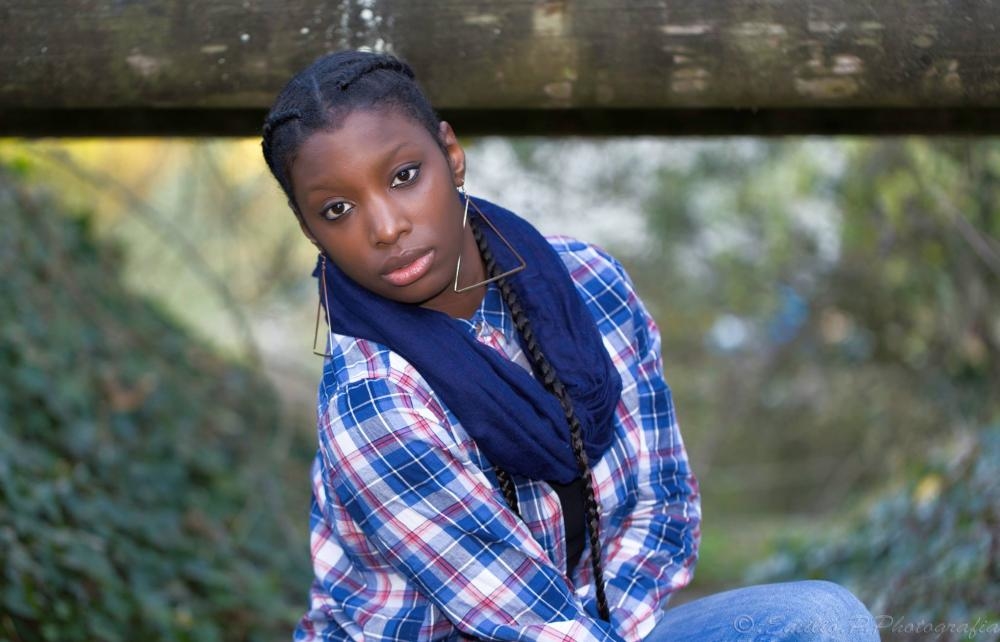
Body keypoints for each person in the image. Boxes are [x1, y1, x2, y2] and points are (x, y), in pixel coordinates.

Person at [261, 51, 881, 642]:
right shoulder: (372, 400)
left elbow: (661, 506)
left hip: (601, 624)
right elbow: (524, 619)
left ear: (450, 154)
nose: (385, 226)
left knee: (825, 621)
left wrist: (618, 625)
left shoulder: (588, 282)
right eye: (337, 209)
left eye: (403, 177)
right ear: (309, 229)